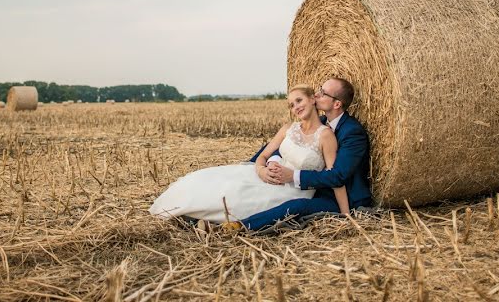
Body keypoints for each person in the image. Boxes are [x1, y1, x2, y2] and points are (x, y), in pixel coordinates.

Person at [149, 85, 349, 224]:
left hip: (293, 189)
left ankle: (214, 222)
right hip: (268, 175)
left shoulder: (326, 136)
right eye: (291, 104)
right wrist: (261, 170)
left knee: (238, 196)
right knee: (218, 179)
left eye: (299, 100)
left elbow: (334, 177)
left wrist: (346, 215)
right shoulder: (288, 128)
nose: (295, 107)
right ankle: (185, 211)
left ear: (313, 99)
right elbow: (263, 156)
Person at [237, 77, 372, 231]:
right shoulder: (319, 121)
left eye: (323, 93)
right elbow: (288, 144)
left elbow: (338, 176)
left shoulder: (352, 132)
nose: (316, 94)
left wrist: (293, 176)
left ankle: (240, 226)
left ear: (337, 104)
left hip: (338, 196)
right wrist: (266, 163)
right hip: (310, 186)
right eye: (319, 89)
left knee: (297, 206)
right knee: (251, 183)